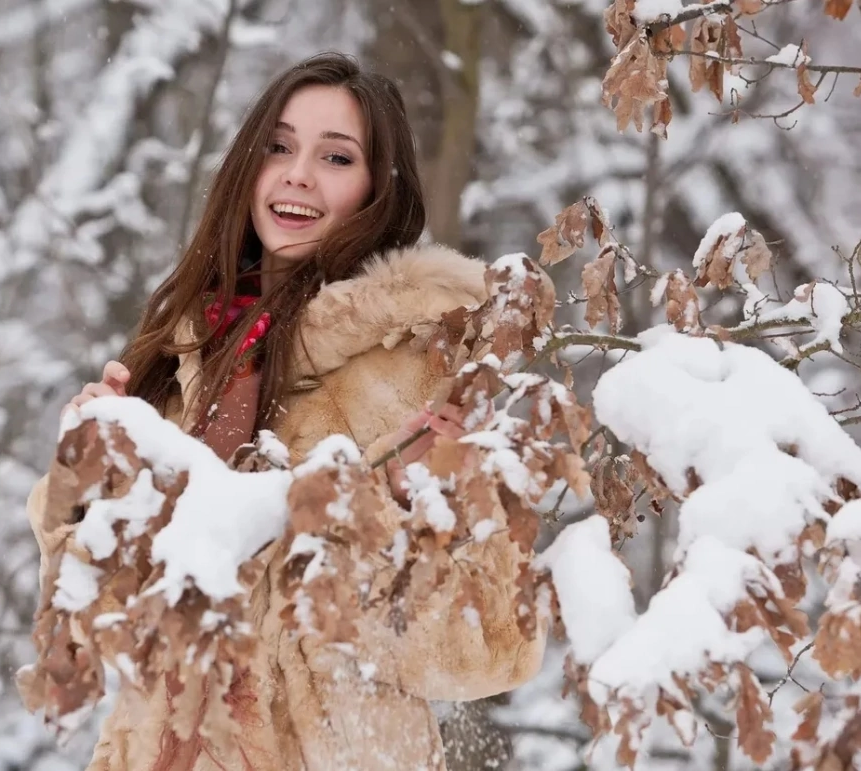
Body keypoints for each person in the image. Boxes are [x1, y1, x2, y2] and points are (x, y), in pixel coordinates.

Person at [27, 52, 548, 771]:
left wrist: (380, 522)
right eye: (278, 146)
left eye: (335, 156)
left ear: (377, 190)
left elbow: (494, 645)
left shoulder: (426, 365)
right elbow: (101, 623)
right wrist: (95, 477)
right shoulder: (189, 356)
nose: (297, 173)